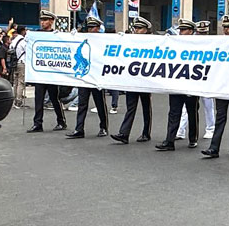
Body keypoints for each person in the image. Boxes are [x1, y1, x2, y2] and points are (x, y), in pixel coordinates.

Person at [201, 15, 229, 158]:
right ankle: (214, 148)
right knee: (220, 117)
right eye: (224, 27)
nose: (225, 30)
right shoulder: (219, 42)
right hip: (222, 85)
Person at [156, 18, 199, 151]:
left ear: (191, 31)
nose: (181, 32)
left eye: (184, 30)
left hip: (191, 84)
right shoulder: (175, 44)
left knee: (192, 112)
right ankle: (169, 141)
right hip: (176, 83)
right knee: (174, 112)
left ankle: (193, 138)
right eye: (180, 30)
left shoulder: (199, 45)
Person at [110, 16, 152, 144]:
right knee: (131, 107)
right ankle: (124, 133)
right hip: (132, 79)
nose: (136, 30)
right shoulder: (131, 41)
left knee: (146, 107)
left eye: (139, 28)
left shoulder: (152, 42)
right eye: (135, 28)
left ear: (146, 29)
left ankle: (146, 133)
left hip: (145, 79)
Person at [66, 15, 108, 139]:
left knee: (100, 103)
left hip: (97, 78)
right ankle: (79, 129)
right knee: (82, 104)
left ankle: (103, 127)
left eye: (93, 27)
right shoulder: (84, 39)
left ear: (99, 28)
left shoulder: (104, 40)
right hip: (85, 76)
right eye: (89, 27)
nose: (91, 30)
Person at [28, 10, 67, 132]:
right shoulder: (37, 34)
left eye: (45, 20)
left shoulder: (56, 34)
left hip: (52, 73)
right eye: (41, 20)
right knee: (38, 98)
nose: (42, 22)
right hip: (40, 72)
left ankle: (61, 121)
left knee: (54, 98)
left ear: (51, 21)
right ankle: (37, 123)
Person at [193, 20, 216, 139]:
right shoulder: (191, 44)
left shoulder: (212, 43)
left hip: (207, 78)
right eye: (200, 33)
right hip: (193, 77)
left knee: (208, 105)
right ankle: (181, 130)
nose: (202, 35)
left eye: (204, 33)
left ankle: (210, 129)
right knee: (187, 108)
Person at [10, 26, 28, 108]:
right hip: (22, 62)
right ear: (23, 31)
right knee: (21, 82)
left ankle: (14, 99)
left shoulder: (14, 41)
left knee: (15, 82)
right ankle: (18, 101)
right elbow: (27, 50)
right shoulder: (23, 41)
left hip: (14, 62)